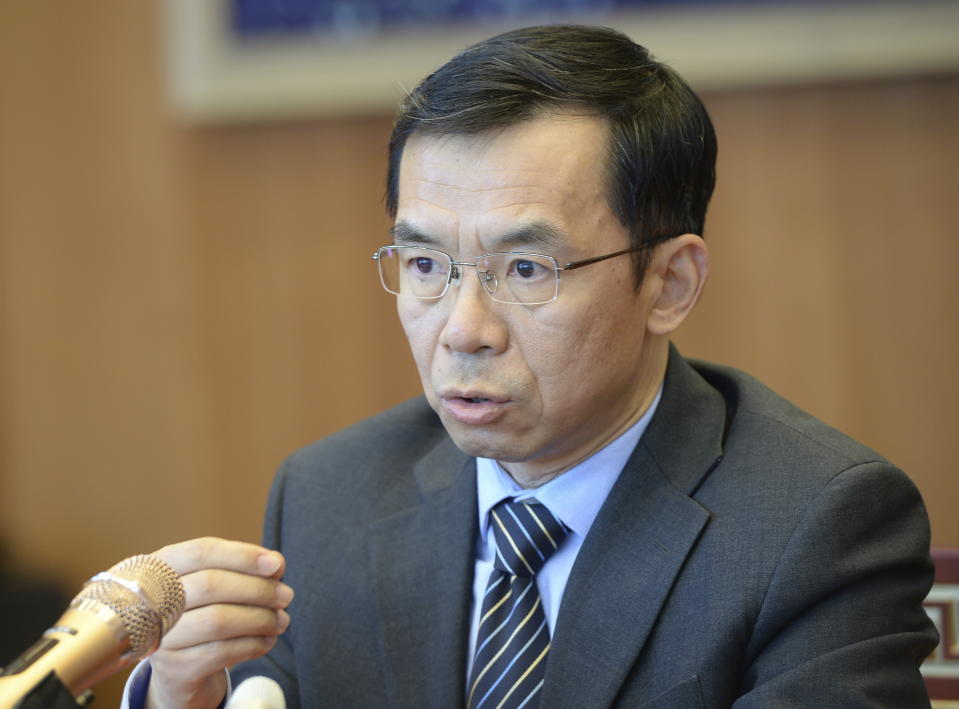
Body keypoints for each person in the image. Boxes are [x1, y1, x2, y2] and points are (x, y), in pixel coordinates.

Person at [125, 25, 938, 709]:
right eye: (424, 264)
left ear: (668, 283)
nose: (462, 330)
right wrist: (178, 696)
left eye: (524, 270)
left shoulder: (814, 528)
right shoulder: (330, 499)